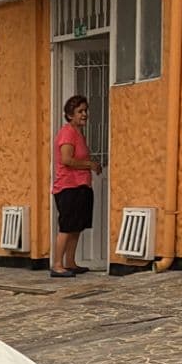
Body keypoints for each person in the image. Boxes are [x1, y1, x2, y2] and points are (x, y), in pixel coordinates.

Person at [52, 94, 101, 278]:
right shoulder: (68, 132)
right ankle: (57, 264)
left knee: (76, 226)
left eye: (85, 111)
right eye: (80, 111)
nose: (84, 114)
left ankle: (70, 262)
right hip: (68, 186)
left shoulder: (78, 133)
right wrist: (90, 165)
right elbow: (66, 159)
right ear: (70, 115)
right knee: (67, 226)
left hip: (81, 185)